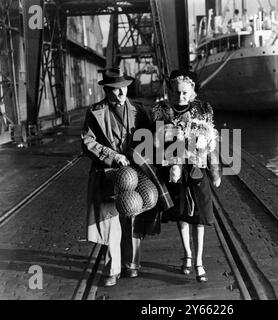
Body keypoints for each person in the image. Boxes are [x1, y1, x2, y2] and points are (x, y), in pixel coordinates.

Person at [81, 68, 171, 286]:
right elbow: (87, 142)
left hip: (136, 172)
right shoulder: (95, 112)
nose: (121, 94)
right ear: (106, 90)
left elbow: (152, 138)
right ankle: (112, 270)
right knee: (110, 220)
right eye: (115, 90)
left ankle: (131, 265)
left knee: (133, 216)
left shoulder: (140, 111)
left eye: (124, 89)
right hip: (108, 173)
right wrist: (112, 156)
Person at [152, 70, 221, 282]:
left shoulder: (203, 109)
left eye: (185, 93)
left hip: (197, 169)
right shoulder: (162, 111)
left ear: (192, 92)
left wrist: (215, 170)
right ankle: (187, 255)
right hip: (175, 170)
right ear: (171, 92)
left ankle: (199, 260)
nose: (180, 97)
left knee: (199, 217)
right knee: (182, 215)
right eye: (176, 92)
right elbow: (156, 143)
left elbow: (211, 144)